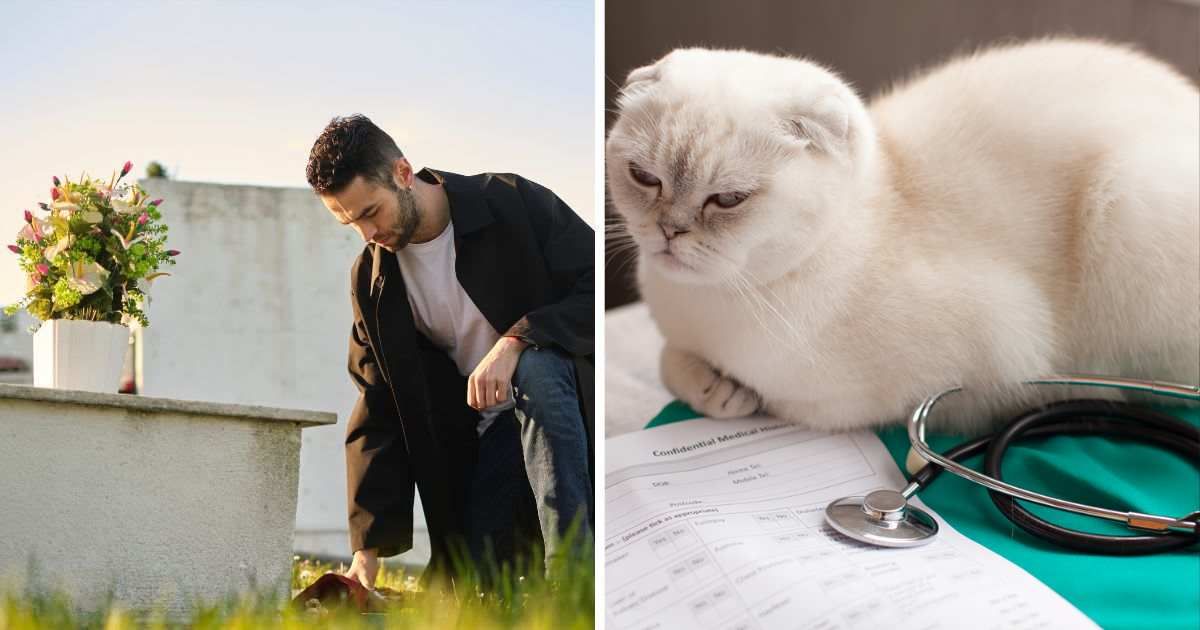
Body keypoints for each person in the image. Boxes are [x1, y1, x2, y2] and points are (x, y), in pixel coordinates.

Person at [304, 114, 594, 589]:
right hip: (490, 442)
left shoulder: (511, 202)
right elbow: (379, 401)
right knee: (477, 593)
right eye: (349, 222)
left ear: (402, 172)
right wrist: (367, 548)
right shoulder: (372, 281)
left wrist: (517, 339)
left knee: (537, 367)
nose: (366, 234)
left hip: (573, 413)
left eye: (371, 212)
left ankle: (575, 580)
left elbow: (597, 283)